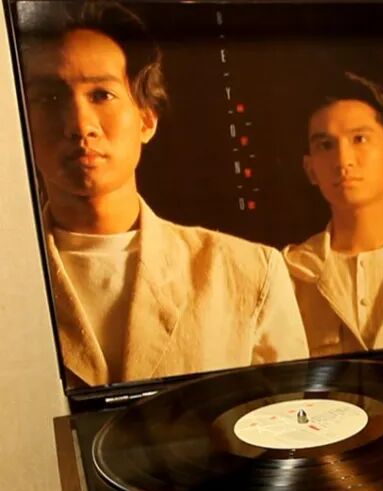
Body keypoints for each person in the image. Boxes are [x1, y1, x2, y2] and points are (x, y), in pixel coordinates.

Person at [18, 1, 309, 388]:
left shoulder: (246, 273)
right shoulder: (12, 279)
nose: (79, 124)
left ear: (146, 119)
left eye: (102, 95)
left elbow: (290, 415)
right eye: (51, 98)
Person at [283, 73, 383, 357]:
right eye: (326, 145)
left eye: (359, 139)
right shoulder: (291, 274)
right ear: (310, 169)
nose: (343, 160)